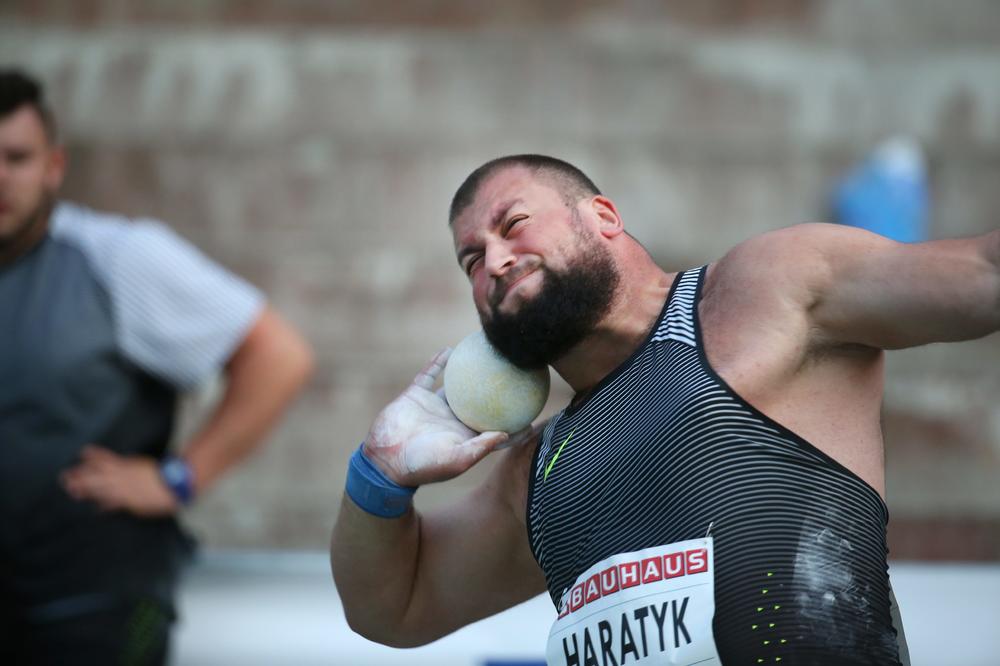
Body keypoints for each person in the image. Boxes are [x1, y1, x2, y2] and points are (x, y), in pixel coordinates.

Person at [331, 153, 998, 664]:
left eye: (514, 226)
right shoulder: (532, 470)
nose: (496, 261)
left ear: (603, 216)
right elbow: (393, 607)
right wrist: (379, 475)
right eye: (471, 260)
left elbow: (982, 275)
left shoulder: (760, 293)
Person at [0, 69, 314, 664]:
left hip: (93, 607)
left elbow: (278, 356)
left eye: (15, 157)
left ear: (54, 167)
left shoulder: (114, 256)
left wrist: (177, 478)